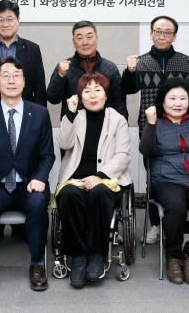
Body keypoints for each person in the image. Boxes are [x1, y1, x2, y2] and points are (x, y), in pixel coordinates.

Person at [0, 57, 55, 292]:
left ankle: (37, 264)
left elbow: (48, 154)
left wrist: (40, 178)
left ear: (24, 81)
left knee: (38, 205)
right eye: (5, 76)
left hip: (28, 184)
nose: (11, 80)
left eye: (16, 76)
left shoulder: (39, 113)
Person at [122, 15, 189, 245]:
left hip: (183, 127)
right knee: (154, 175)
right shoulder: (142, 62)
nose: (162, 35)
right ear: (151, 34)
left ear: (174, 36)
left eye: (167, 32)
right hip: (152, 127)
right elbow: (127, 89)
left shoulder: (186, 62)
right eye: (158, 31)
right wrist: (129, 71)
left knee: (187, 173)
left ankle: (181, 222)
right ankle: (155, 224)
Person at [55, 72, 131, 289]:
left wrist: (100, 176)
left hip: (107, 179)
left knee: (99, 193)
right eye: (87, 91)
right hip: (76, 178)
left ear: (106, 95)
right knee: (69, 194)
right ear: (81, 96)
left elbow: (123, 156)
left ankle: (97, 254)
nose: (93, 95)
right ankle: (78, 256)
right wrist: (69, 114)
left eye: (98, 90)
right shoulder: (75, 117)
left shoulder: (118, 120)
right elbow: (64, 143)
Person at [139, 78, 189, 286]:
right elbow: (145, 150)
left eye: (183, 98)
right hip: (166, 181)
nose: (177, 103)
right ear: (162, 101)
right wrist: (151, 124)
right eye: (172, 98)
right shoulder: (156, 124)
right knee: (175, 206)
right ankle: (173, 255)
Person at [47, 20, 128, 120]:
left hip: (105, 125)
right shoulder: (64, 67)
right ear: (73, 42)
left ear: (97, 38)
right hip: (73, 124)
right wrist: (60, 75)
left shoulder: (110, 68)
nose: (85, 42)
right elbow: (53, 99)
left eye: (89, 37)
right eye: (79, 38)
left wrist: (122, 125)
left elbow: (119, 104)